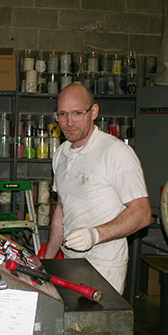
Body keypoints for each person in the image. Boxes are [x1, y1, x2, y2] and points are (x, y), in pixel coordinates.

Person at [43, 83, 151, 294]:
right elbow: (61, 210)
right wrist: (48, 260)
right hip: (69, 261)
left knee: (96, 325)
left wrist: (95, 235)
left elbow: (142, 213)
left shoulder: (116, 152)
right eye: (62, 114)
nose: (69, 122)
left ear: (94, 112)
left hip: (104, 265)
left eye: (77, 113)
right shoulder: (61, 153)